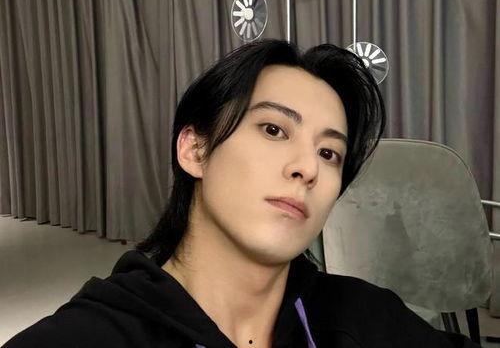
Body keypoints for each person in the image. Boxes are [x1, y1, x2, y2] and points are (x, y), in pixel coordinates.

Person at [3, 39, 480, 347]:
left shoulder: (361, 318)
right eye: (274, 129)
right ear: (195, 150)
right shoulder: (86, 337)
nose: (307, 168)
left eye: (329, 153)